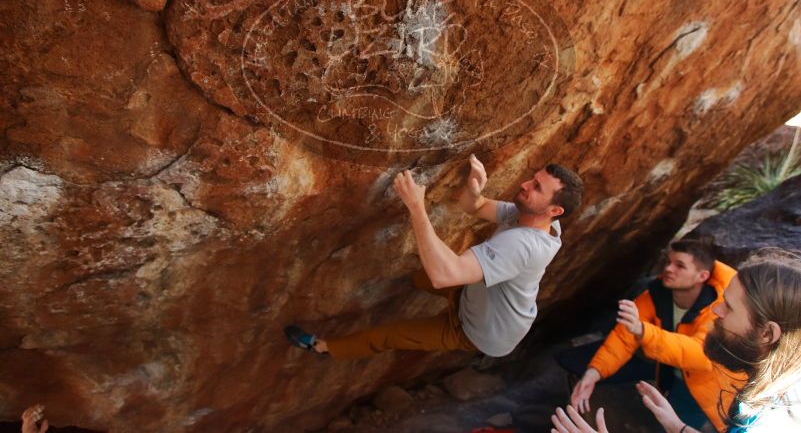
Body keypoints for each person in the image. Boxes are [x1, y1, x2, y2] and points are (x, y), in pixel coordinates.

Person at [285, 154, 584, 359]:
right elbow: (475, 207)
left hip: (479, 332)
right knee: (421, 275)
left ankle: (322, 347)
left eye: (536, 187)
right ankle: (403, 290)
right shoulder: (533, 217)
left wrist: (416, 207)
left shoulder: (522, 244)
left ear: (554, 210)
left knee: (391, 334)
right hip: (477, 296)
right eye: (532, 179)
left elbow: (445, 275)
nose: (524, 185)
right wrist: (474, 186)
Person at [551, 247, 801, 433]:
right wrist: (678, 428)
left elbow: (700, 354)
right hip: (681, 383)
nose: (718, 310)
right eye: (668, 262)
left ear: (767, 334)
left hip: (706, 388)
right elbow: (624, 335)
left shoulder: (777, 421)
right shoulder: (657, 295)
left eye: (730, 308)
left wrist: (643, 331)